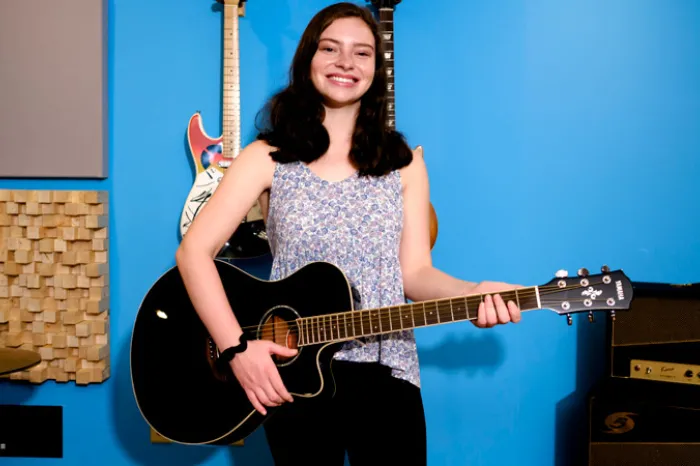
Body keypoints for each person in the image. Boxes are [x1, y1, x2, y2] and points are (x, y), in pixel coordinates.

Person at [175, 2, 522, 465]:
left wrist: (473, 292)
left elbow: (415, 273)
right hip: (291, 371)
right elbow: (194, 251)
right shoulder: (266, 156)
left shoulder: (405, 164)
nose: (345, 62)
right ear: (308, 60)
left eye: (362, 53)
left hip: (388, 367)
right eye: (330, 48)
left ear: (376, 71)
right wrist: (237, 349)